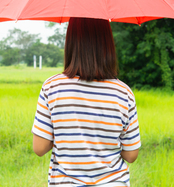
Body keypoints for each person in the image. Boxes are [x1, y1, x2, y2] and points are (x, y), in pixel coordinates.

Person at [32, 17, 140, 187]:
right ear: (107, 44)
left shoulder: (52, 87)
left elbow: (39, 148)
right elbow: (131, 155)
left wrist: (66, 132)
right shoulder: (123, 92)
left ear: (71, 42)